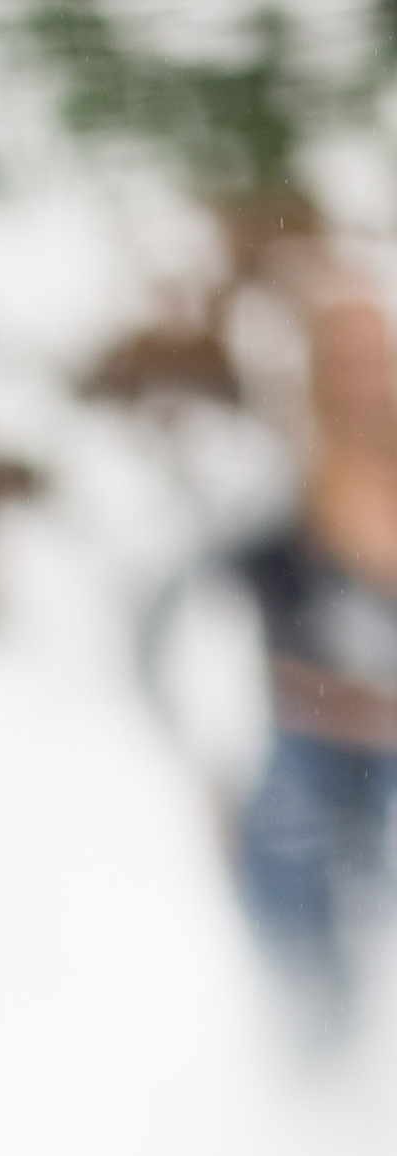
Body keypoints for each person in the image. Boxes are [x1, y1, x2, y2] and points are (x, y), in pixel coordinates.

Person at [230, 271, 397, 1034]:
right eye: (346, 356)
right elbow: (155, 620)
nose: (365, 374)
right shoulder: (272, 487)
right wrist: (193, 752)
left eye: (376, 352)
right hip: (304, 759)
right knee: (305, 977)